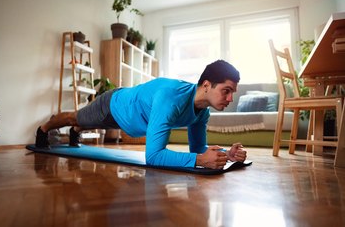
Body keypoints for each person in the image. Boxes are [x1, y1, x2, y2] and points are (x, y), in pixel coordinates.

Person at [35, 59, 247, 169]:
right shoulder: (170, 99)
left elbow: (199, 150)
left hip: (129, 120)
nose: (230, 99)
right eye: (226, 91)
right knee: (76, 117)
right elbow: (153, 157)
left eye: (232, 93)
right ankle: (43, 129)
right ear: (207, 85)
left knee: (88, 124)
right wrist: (200, 160)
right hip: (114, 105)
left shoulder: (202, 113)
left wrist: (226, 155)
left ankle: (77, 131)